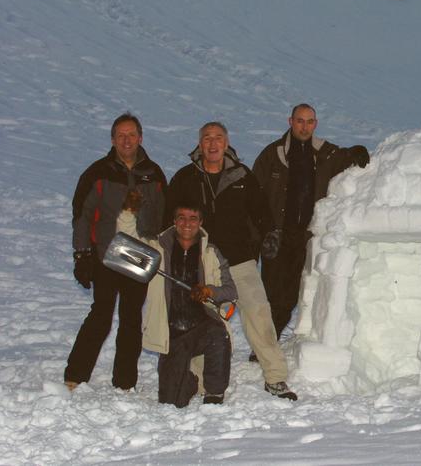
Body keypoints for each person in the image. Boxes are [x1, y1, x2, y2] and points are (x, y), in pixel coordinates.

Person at [166, 122, 296, 400]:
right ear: (199, 144)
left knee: (259, 313)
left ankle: (275, 377)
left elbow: (261, 210)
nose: (212, 144)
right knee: (204, 321)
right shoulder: (185, 178)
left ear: (226, 143)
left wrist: (270, 233)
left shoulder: (242, 176)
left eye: (218, 138)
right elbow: (169, 219)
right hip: (202, 263)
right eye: (207, 139)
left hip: (240, 260)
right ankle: (200, 382)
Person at [65, 112, 166, 391]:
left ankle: (125, 382)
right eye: (120, 135)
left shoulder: (153, 174)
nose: (126, 140)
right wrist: (82, 254)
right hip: (105, 256)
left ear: (140, 138)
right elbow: (82, 215)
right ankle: (75, 375)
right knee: (101, 315)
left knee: (132, 318)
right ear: (112, 139)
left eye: (131, 134)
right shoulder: (98, 172)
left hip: (139, 258)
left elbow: (163, 217)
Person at [252, 103, 370, 339]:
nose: (304, 127)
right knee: (270, 292)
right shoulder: (272, 155)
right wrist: (261, 233)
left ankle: (268, 341)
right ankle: (265, 342)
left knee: (290, 293)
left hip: (304, 237)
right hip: (276, 236)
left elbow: (345, 159)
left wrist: (357, 151)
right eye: (299, 121)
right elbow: (253, 196)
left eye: (309, 122)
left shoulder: (325, 153)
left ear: (315, 124)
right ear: (290, 121)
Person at [118, 193, 236, 407]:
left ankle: (215, 392)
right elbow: (126, 242)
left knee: (219, 335)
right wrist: (129, 212)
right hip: (171, 332)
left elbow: (230, 291)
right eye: (181, 217)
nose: (187, 223)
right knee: (171, 402)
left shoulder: (210, 252)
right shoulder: (156, 248)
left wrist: (209, 291)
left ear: (201, 222)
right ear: (174, 221)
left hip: (201, 326)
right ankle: (187, 380)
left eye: (193, 218)